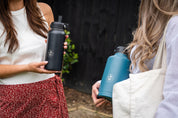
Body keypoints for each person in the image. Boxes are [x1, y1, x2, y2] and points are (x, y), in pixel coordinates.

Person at [92, 0, 178, 117]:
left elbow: (174, 103)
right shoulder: (153, 22)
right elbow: (146, 78)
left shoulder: (175, 25)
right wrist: (110, 85)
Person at [0, 0, 69, 117]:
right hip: (13, 102)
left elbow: (54, 61)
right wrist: (27, 67)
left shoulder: (43, 10)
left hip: (48, 96)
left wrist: (58, 51)